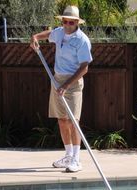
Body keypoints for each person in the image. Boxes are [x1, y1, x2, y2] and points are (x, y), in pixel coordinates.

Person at [30, 5, 93, 172]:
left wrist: (66, 85)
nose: (67, 25)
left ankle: (76, 160)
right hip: (57, 80)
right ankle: (68, 156)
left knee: (74, 122)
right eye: (64, 21)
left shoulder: (82, 40)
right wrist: (35, 37)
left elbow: (84, 68)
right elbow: (49, 34)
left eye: (70, 22)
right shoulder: (60, 32)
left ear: (77, 23)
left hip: (73, 83)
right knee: (62, 120)